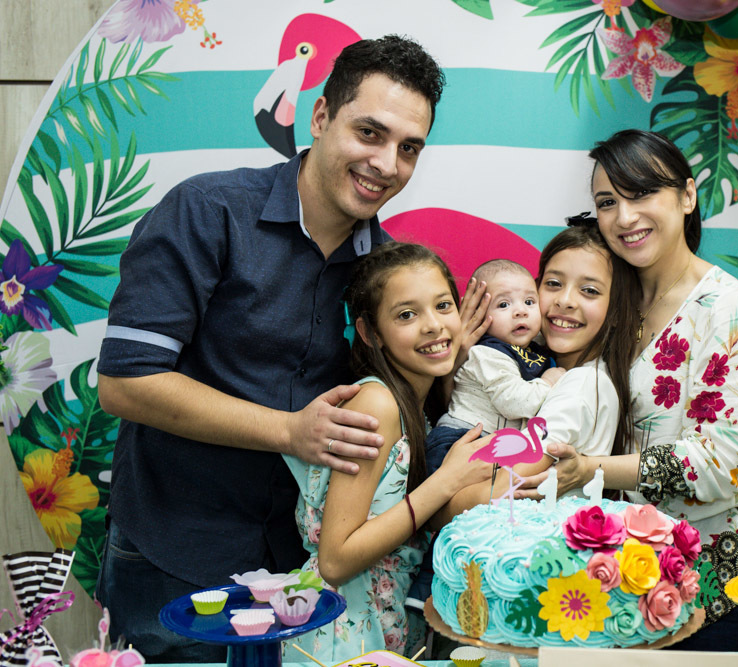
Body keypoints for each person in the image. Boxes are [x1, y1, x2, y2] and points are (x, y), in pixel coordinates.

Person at [94, 36, 487, 661]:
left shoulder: (386, 275)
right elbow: (125, 382)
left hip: (300, 578)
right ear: (321, 117)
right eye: (369, 133)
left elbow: (393, 414)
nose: (386, 163)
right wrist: (289, 430)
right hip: (175, 552)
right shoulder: (208, 210)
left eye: (408, 148)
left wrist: (450, 354)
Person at [519, 129, 738, 651]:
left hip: (728, 585)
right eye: (608, 202)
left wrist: (590, 468)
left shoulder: (727, 309)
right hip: (634, 583)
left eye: (643, 193)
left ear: (687, 196)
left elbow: (714, 463)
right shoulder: (616, 295)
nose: (625, 217)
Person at [284, 242, 494, 661]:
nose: (433, 325)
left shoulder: (421, 406)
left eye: (443, 306)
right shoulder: (376, 404)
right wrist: (446, 481)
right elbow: (335, 561)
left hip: (390, 622)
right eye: (406, 315)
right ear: (370, 333)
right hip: (343, 632)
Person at [446, 221, 640, 512]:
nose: (565, 300)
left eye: (589, 290)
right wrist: (458, 356)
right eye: (553, 284)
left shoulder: (581, 385)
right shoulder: (526, 353)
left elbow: (495, 493)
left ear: (616, 310)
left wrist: (430, 505)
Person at [423, 259, 565, 475]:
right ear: (478, 314)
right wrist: (548, 381)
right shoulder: (487, 354)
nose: (520, 311)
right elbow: (517, 403)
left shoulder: (531, 347)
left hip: (488, 442)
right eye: (503, 305)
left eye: (529, 301)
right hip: (458, 439)